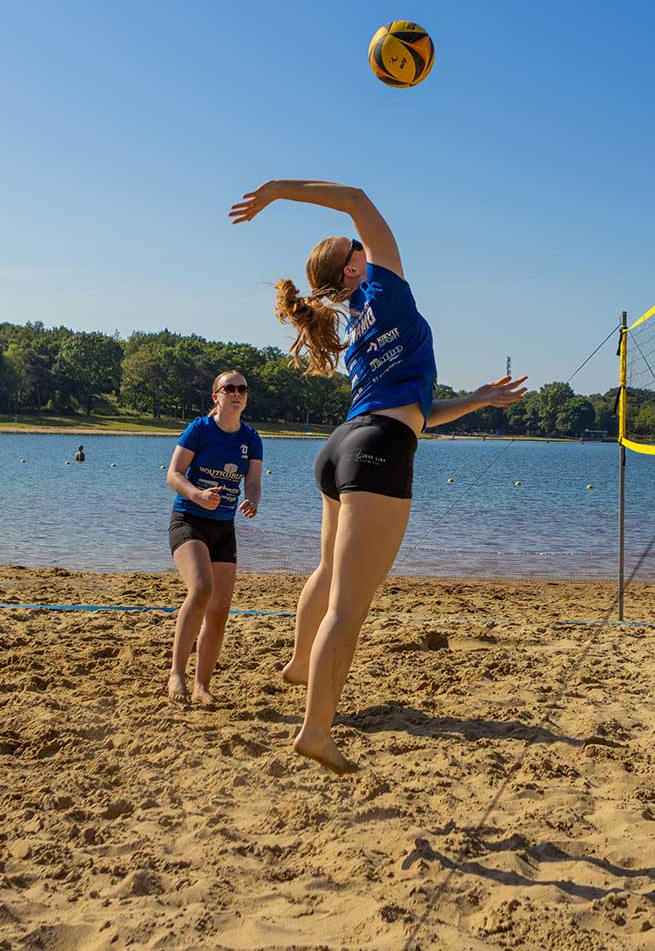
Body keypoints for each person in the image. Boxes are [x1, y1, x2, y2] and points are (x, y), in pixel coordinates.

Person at [229, 181, 526, 773]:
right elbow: (358, 198)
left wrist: (477, 400)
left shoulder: (360, 324)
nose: (366, 240)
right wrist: (277, 193)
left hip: (343, 447)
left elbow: (419, 412)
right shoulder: (383, 289)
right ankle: (316, 732)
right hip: (378, 449)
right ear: (352, 263)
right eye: (356, 243)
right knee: (349, 604)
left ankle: (297, 663)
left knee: (330, 572)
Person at [166, 370, 263, 707]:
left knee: (220, 610)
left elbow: (252, 481)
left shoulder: (251, 438)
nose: (237, 393)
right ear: (216, 396)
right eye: (230, 388)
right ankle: (176, 672)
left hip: (224, 528)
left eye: (242, 389)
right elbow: (173, 474)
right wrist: (197, 494)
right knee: (202, 588)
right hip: (189, 519)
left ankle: (202, 685)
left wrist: (252, 498)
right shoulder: (200, 429)